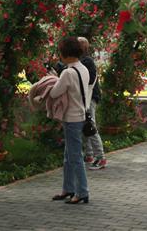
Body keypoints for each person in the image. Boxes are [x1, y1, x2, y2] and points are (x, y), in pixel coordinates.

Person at [49, 36, 91, 204]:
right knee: (69, 155)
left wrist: (52, 79)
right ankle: (68, 189)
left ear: (65, 54)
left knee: (75, 157)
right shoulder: (83, 69)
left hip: (71, 118)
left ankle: (82, 192)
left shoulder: (67, 72)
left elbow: (54, 93)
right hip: (81, 114)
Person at [78, 37, 107, 170]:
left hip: (90, 98)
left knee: (91, 125)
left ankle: (100, 157)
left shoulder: (87, 61)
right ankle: (89, 154)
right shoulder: (82, 61)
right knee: (86, 126)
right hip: (84, 98)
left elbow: (89, 80)